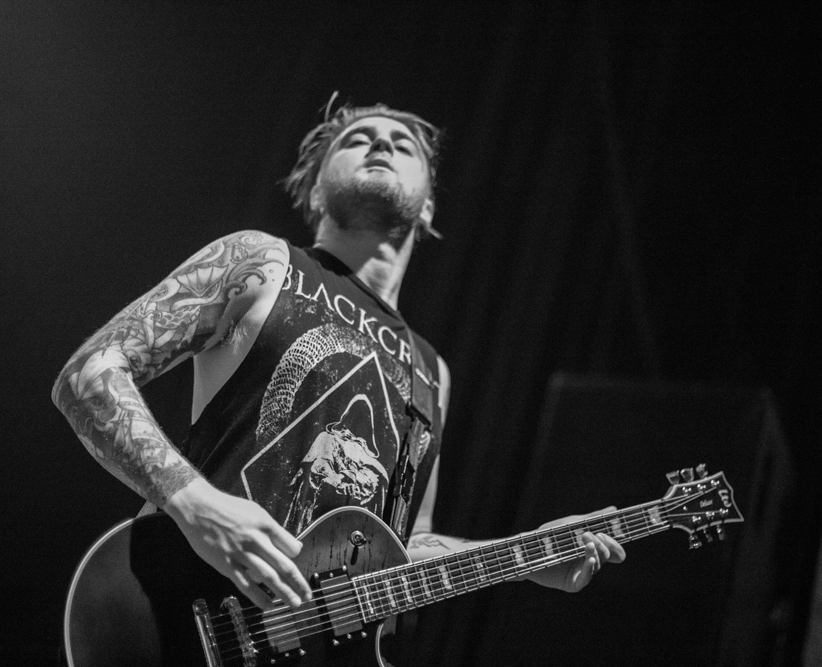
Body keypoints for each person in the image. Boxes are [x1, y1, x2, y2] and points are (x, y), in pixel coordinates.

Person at [52, 101, 625, 616]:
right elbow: (90, 371)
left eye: (402, 145)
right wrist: (197, 505)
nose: (381, 144)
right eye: (357, 139)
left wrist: (526, 555)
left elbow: (404, 545)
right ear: (315, 192)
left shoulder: (433, 370)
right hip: (179, 615)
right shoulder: (262, 262)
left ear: (428, 206)